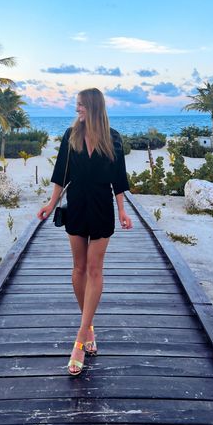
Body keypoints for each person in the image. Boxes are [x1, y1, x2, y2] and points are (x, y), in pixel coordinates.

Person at [37, 88, 133, 376]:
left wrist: (123, 211)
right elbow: (60, 175)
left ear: (92, 107)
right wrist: (51, 203)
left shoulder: (112, 137)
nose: (76, 109)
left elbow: (119, 179)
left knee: (94, 268)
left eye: (80, 105)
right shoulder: (72, 135)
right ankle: (89, 327)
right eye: (76, 105)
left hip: (102, 205)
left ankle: (80, 338)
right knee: (78, 268)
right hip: (76, 204)